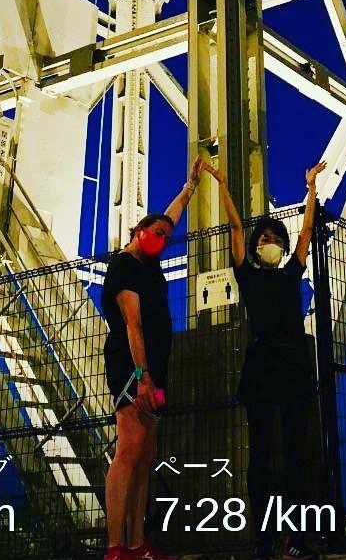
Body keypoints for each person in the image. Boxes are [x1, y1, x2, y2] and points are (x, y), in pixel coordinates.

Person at [201, 159, 326, 560]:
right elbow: (236, 228)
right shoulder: (248, 275)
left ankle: (296, 536)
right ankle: (265, 536)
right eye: (263, 238)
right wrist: (223, 184)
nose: (267, 241)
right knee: (261, 456)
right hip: (263, 367)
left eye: (274, 237)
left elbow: (306, 231)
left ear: (283, 247)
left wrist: (310, 189)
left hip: (292, 366)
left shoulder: (291, 272)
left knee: (295, 455)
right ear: (255, 248)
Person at [101, 159, 205, 560]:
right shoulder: (125, 265)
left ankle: (137, 543)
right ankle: (115, 547)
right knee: (129, 450)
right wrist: (143, 377)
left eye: (166, 236)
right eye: (156, 233)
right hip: (132, 367)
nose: (162, 239)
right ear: (137, 231)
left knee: (145, 456)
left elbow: (171, 217)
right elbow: (133, 324)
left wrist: (189, 187)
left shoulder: (149, 262)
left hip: (153, 368)